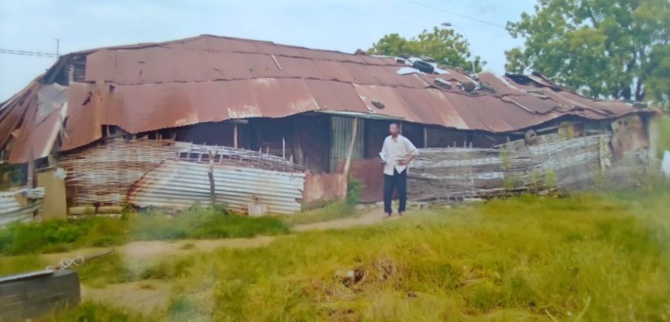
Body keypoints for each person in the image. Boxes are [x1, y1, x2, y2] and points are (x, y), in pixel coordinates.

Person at [379, 123, 419, 217]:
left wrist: (406, 161)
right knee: (387, 191)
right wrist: (382, 160)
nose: (391, 130)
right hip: (388, 169)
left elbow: (415, 152)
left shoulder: (403, 140)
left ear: (398, 130)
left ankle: (402, 209)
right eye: (390, 128)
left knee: (402, 190)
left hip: (400, 169)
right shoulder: (387, 140)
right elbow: (383, 152)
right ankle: (387, 211)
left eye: (393, 128)